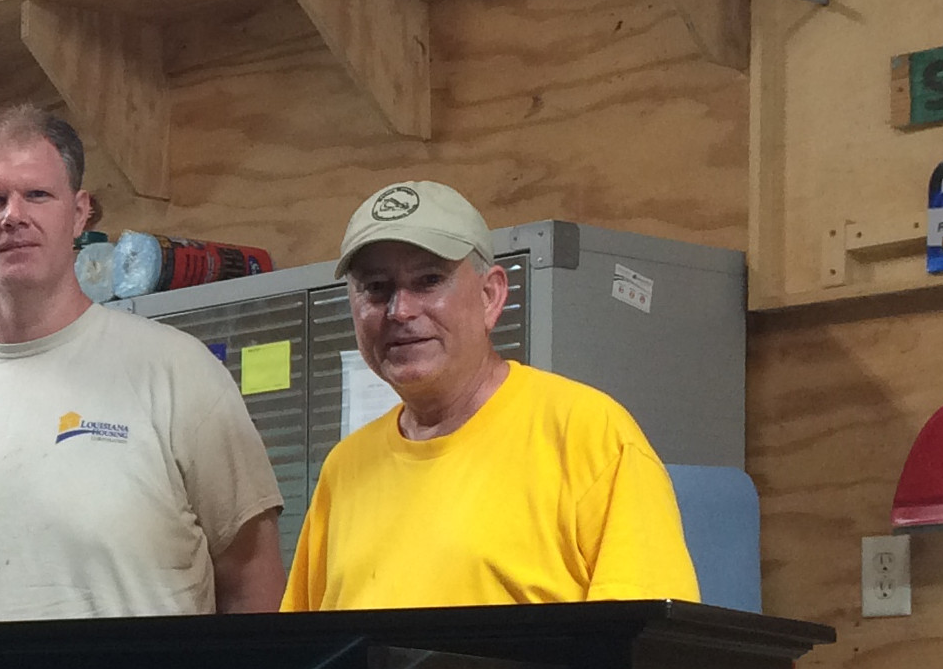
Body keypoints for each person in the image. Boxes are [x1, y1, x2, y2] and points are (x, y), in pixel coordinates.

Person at [0, 106, 284, 623]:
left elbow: (255, 586)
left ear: (79, 214)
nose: (13, 215)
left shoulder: (179, 373)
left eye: (37, 194)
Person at [283, 180, 699, 610]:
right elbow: (301, 661)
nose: (400, 310)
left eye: (428, 280)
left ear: (490, 296)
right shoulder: (344, 469)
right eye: (376, 288)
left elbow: (648, 661)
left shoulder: (590, 438)